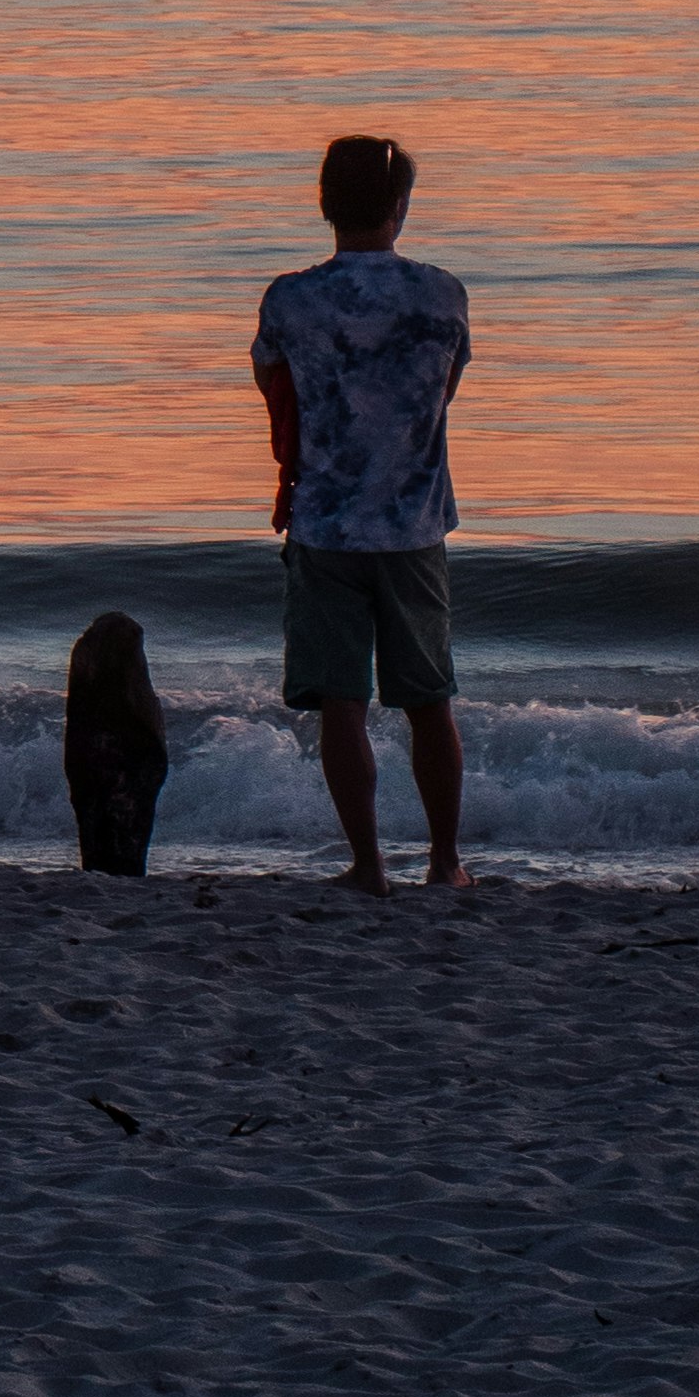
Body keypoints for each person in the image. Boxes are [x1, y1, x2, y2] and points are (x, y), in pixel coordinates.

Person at [253, 132, 472, 895]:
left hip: (324, 522)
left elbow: (272, 387)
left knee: (341, 705)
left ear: (324, 205)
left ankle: (369, 866)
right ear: (400, 207)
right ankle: (445, 862)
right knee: (429, 701)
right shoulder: (443, 293)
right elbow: (446, 389)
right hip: (413, 524)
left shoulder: (289, 299)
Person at [61, 610, 167, 878]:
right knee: (126, 834)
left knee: (100, 828)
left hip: (94, 757)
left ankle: (100, 868)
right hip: (122, 758)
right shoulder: (138, 696)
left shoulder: (86, 669)